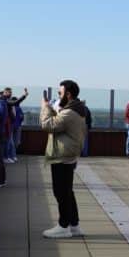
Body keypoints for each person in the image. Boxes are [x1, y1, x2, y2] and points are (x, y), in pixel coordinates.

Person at [40, 80, 88, 238]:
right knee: (67, 191)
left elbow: (48, 125)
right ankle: (74, 225)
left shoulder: (68, 113)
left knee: (61, 192)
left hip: (62, 155)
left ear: (68, 94)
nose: (58, 96)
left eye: (60, 93)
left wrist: (45, 107)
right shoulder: (78, 109)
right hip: (69, 154)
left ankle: (64, 226)